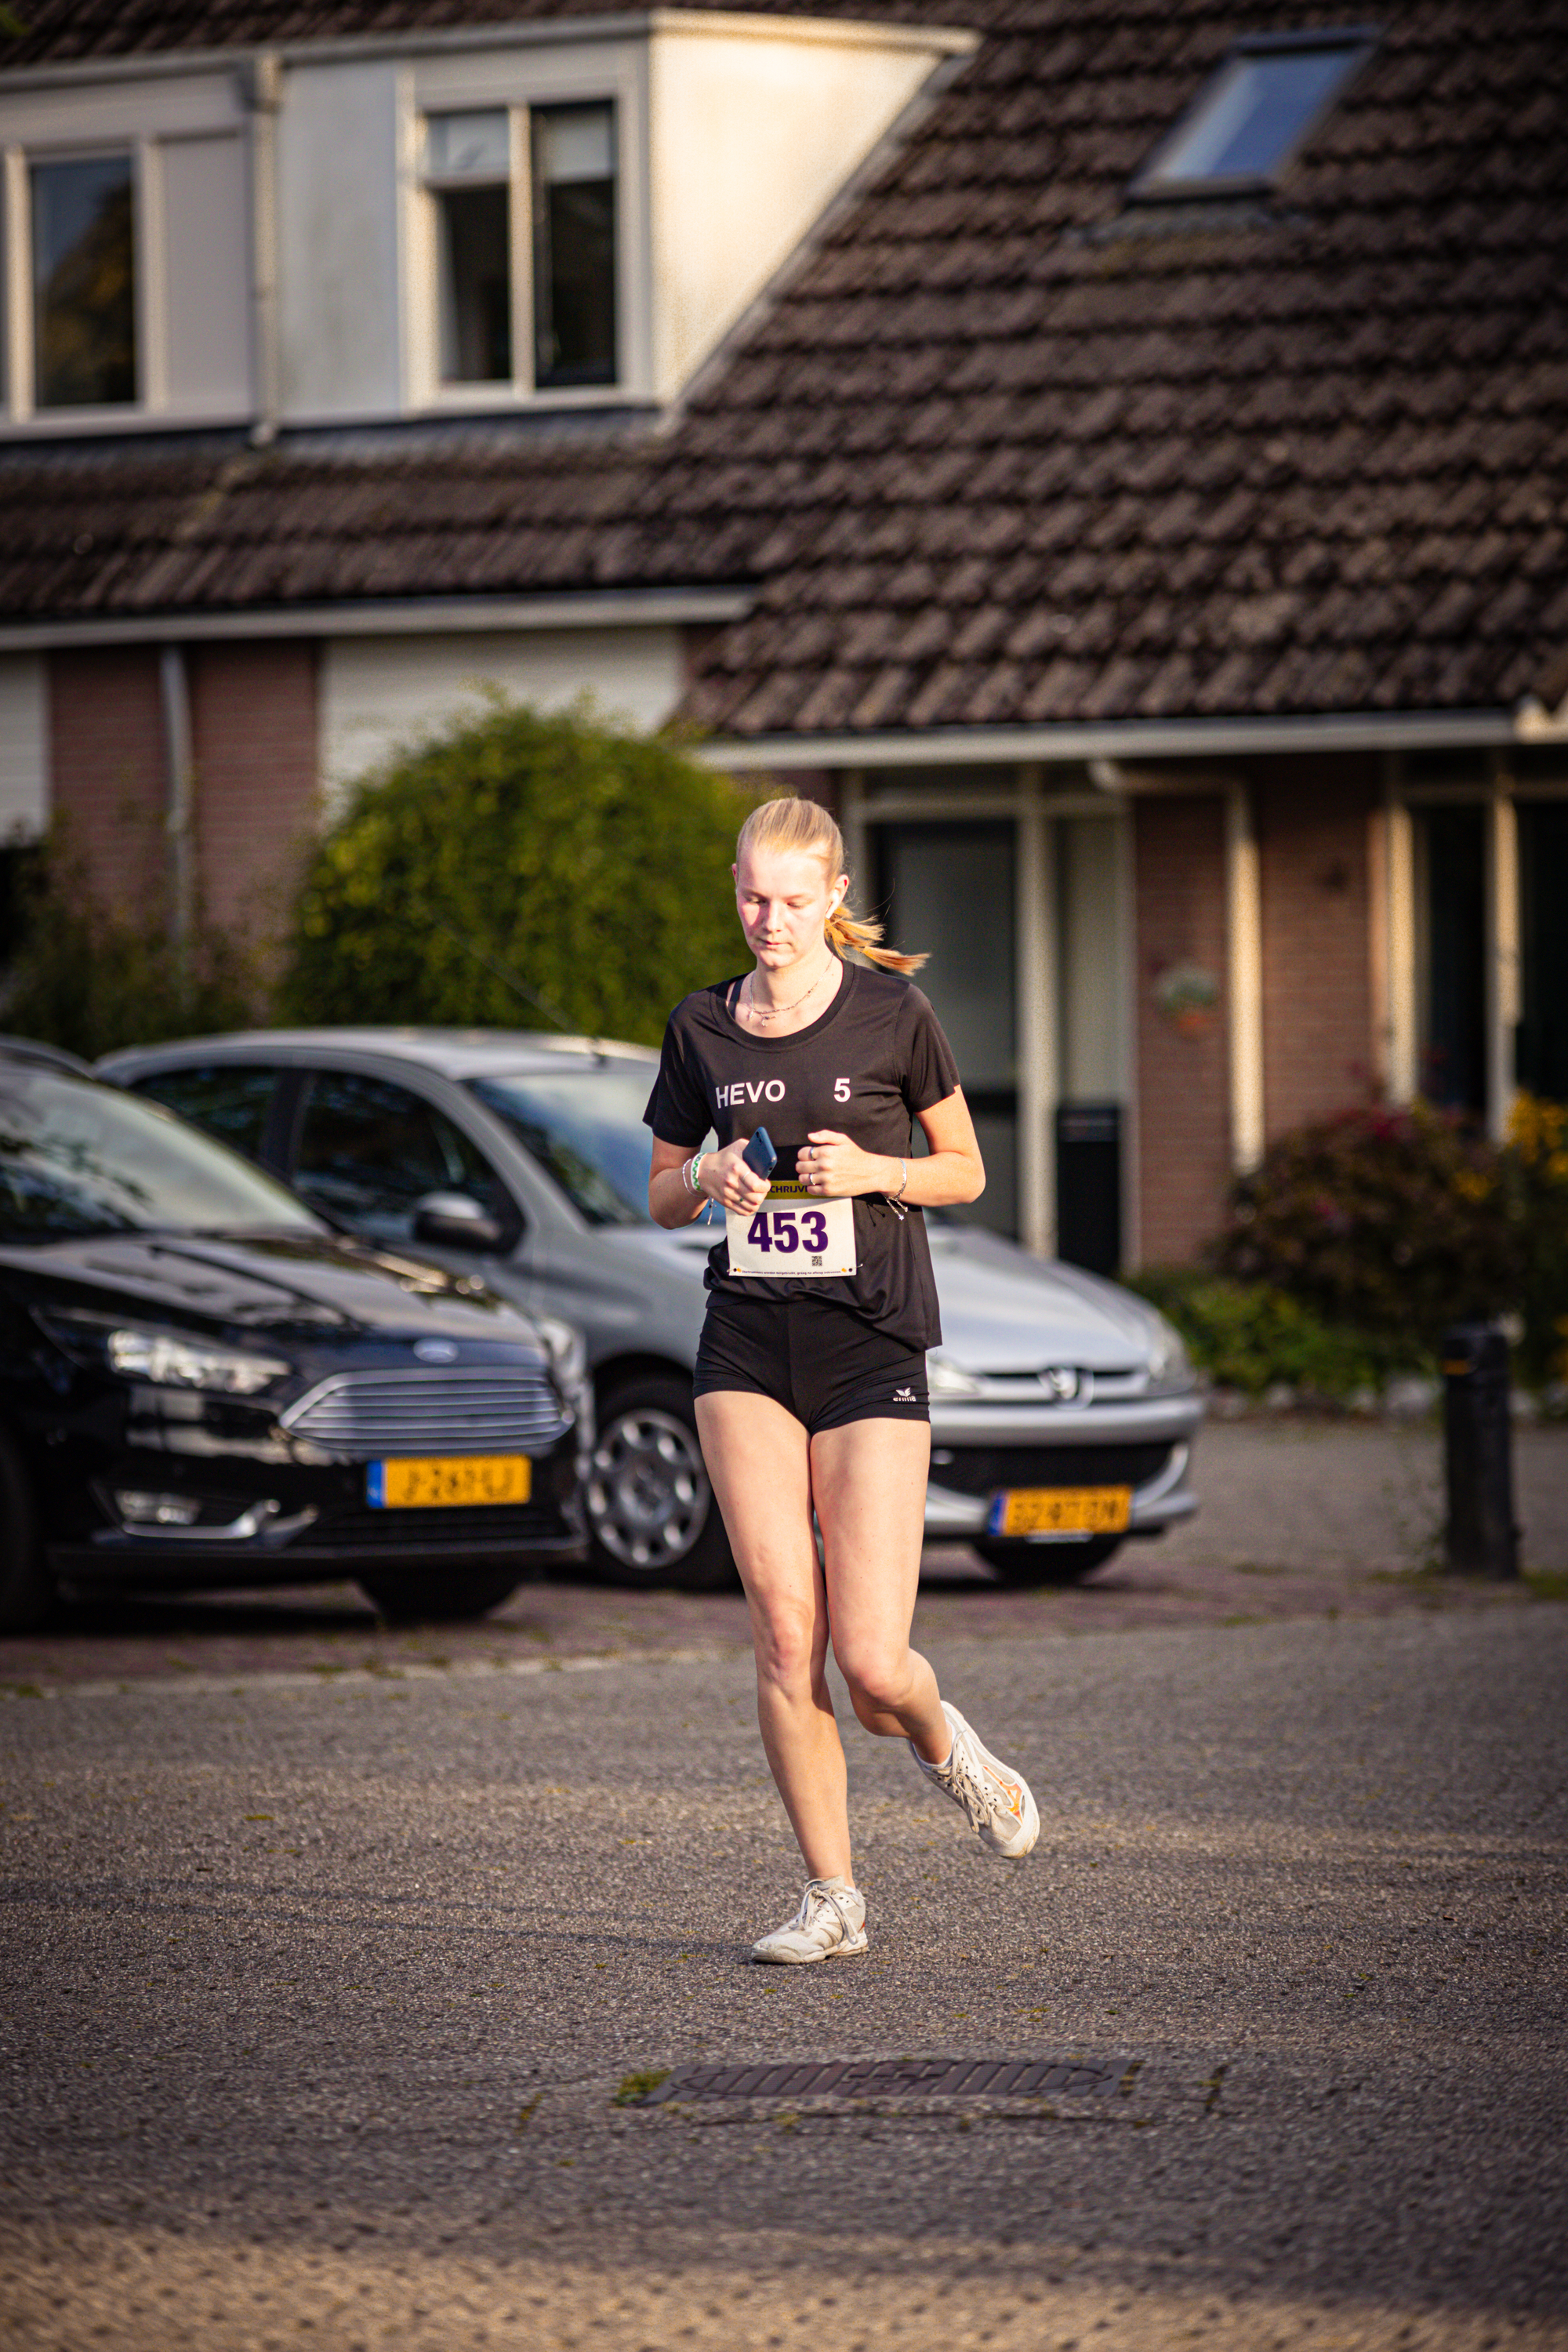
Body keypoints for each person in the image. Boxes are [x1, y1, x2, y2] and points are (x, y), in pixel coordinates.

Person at [644, 793, 1039, 1965]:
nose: (771, 920)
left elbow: (965, 1170)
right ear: (736, 889)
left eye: (794, 901)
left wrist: (876, 1168)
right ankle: (833, 1897)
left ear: (834, 898)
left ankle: (946, 1744)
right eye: (754, 898)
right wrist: (711, 1175)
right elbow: (660, 1195)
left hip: (870, 1343)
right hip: (747, 1345)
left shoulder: (891, 1013)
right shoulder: (700, 1027)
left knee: (871, 1665)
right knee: (783, 1635)